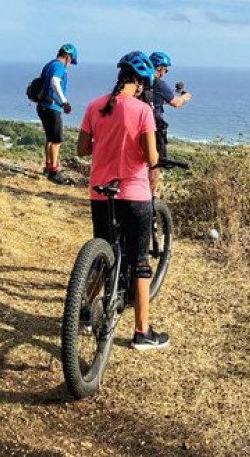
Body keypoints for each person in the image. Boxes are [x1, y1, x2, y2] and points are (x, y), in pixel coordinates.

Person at [76, 51, 169, 351]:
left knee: (102, 253)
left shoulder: (94, 105)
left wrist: (108, 145)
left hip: (100, 193)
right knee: (139, 261)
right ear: (141, 83)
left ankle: (84, 313)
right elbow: (152, 157)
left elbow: (82, 149)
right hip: (135, 194)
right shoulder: (143, 111)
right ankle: (142, 332)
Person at [147, 51, 191, 189]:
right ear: (160, 67)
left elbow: (153, 101)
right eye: (165, 69)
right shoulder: (160, 84)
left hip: (137, 124)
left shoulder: (141, 83)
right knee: (156, 163)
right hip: (154, 126)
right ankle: (149, 198)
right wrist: (185, 97)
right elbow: (175, 103)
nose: (166, 72)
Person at [38, 43, 77, 185]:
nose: (70, 64)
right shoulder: (59, 67)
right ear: (67, 57)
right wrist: (64, 102)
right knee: (57, 140)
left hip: (43, 106)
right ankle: (54, 171)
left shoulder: (49, 64)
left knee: (49, 138)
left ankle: (48, 167)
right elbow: (55, 82)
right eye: (71, 61)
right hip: (52, 107)